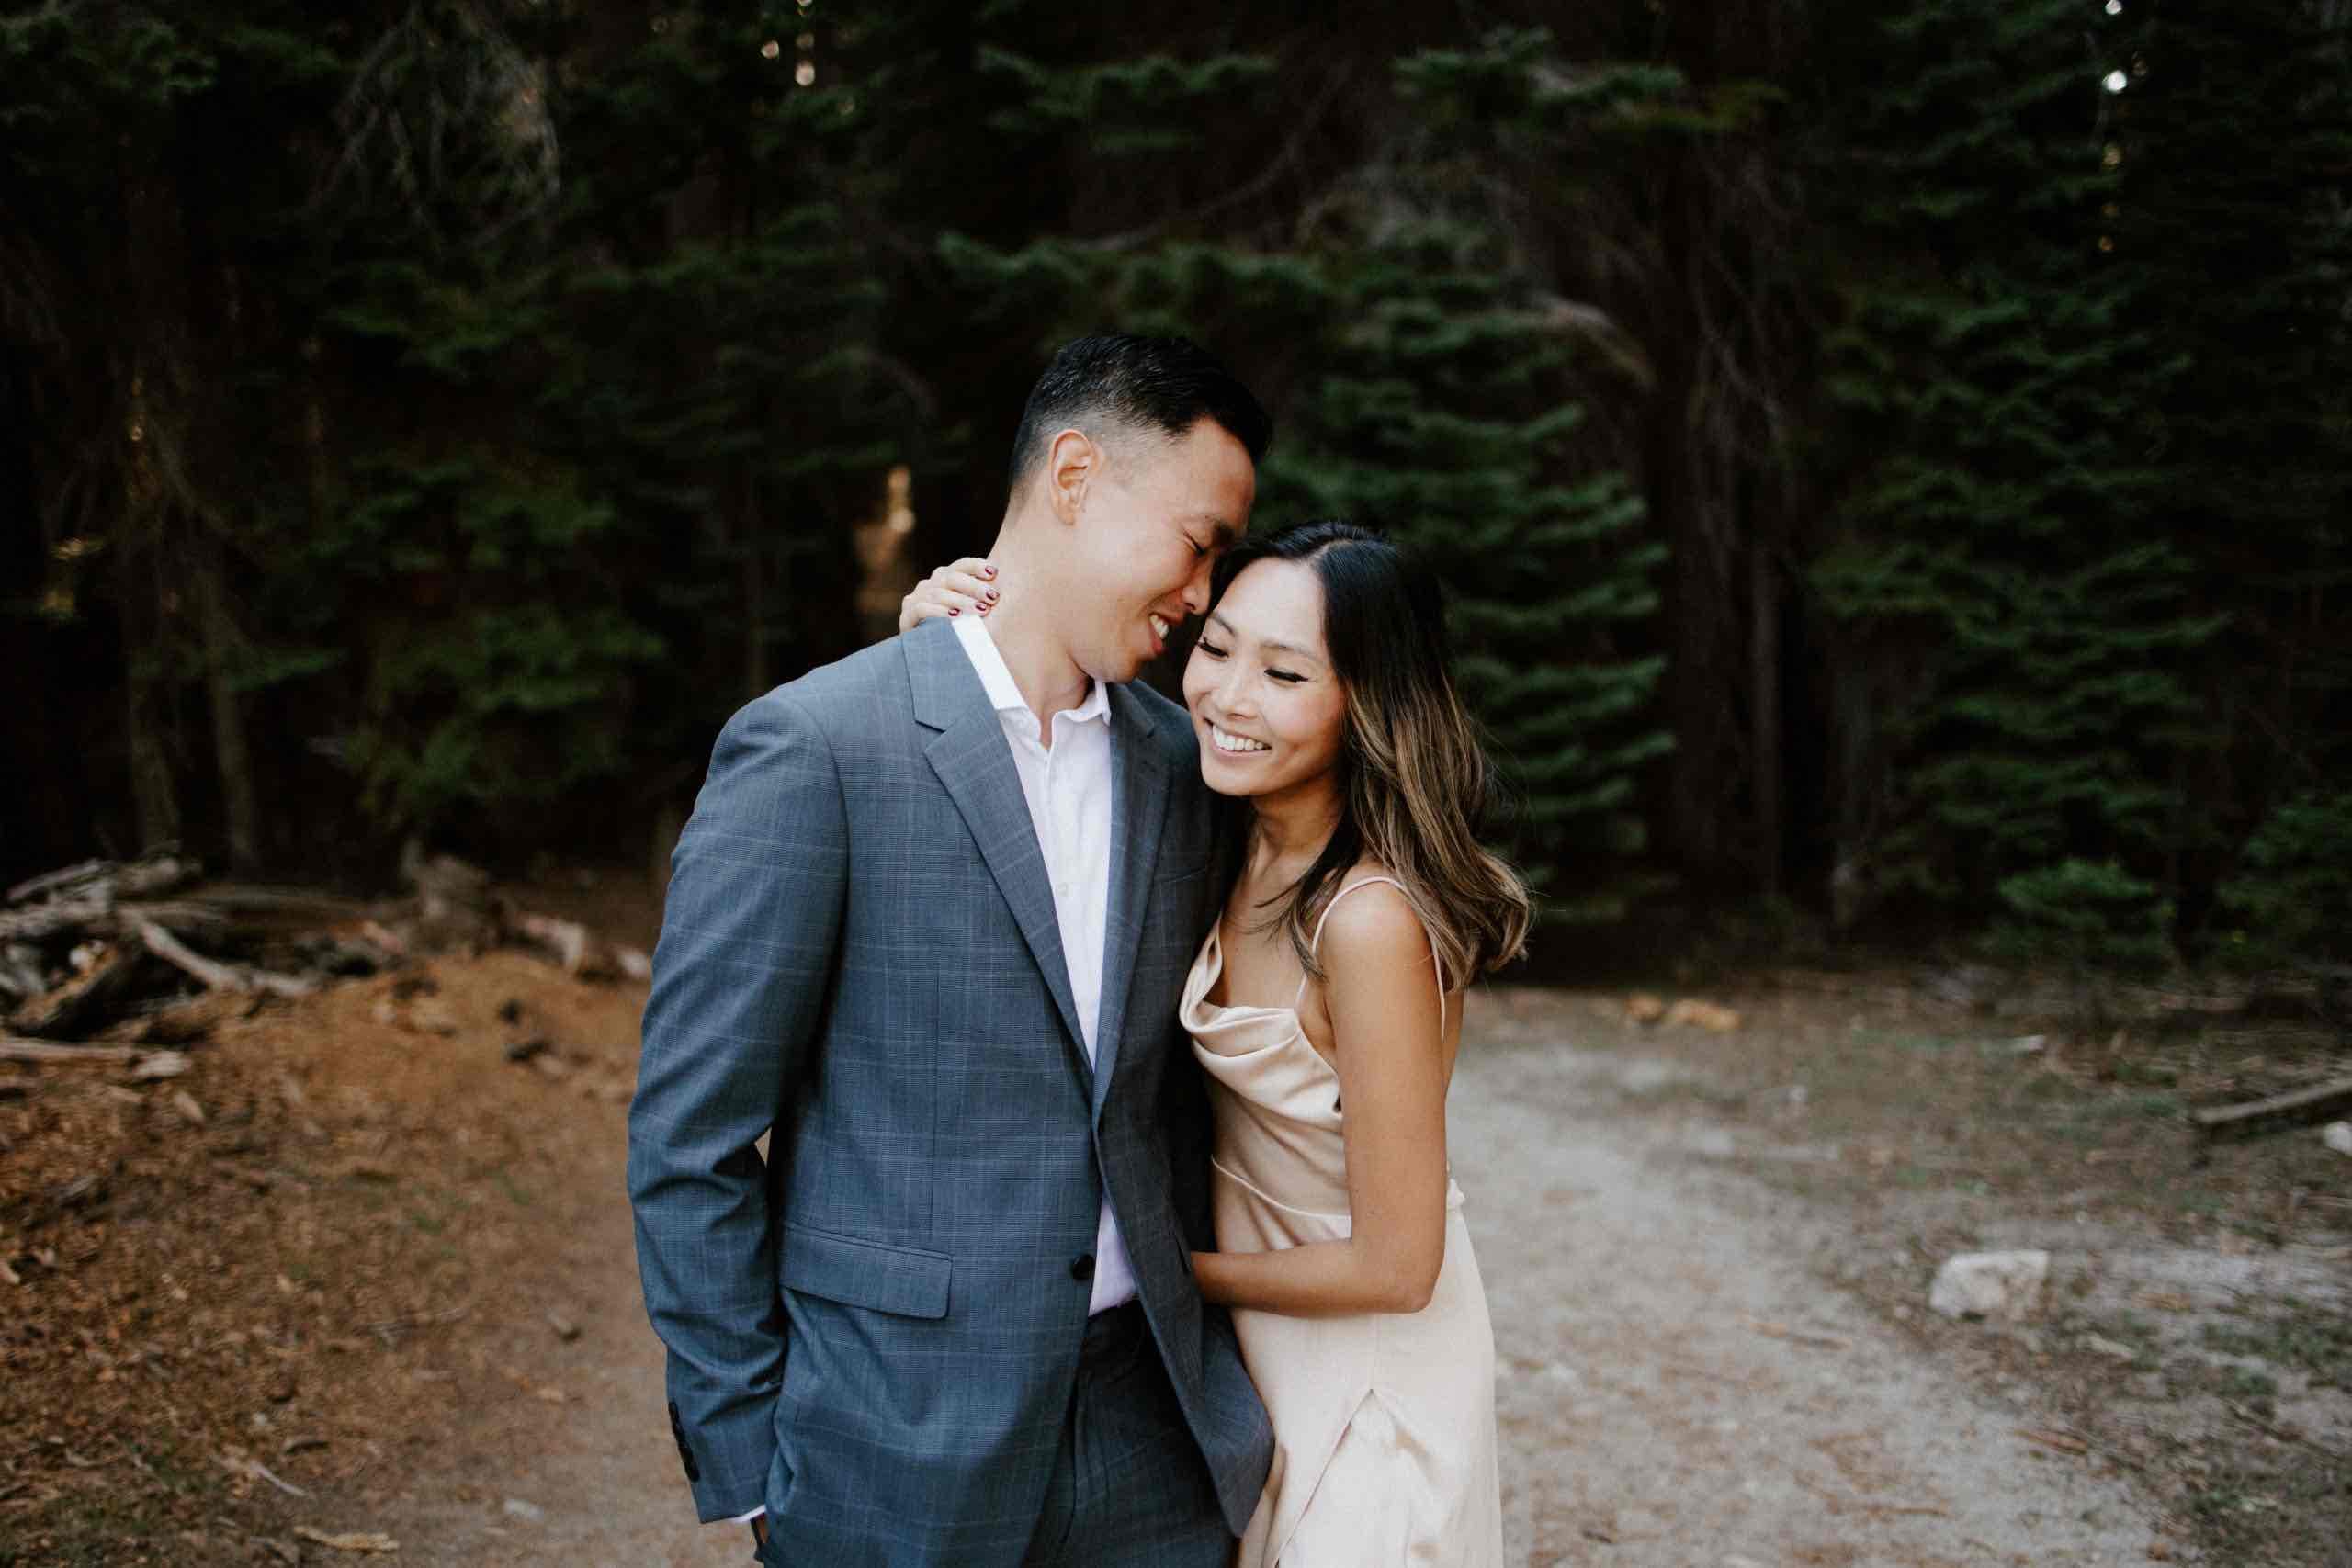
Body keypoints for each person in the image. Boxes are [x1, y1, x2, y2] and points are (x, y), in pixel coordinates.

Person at [627, 333, 1276, 1568]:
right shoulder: (817, 747)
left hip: (1152, 1447)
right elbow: (690, 1137)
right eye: (1202, 541)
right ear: (1075, 477)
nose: (1204, 593)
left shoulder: (1186, 767)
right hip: (888, 1450)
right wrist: (756, 1467)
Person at [901, 517, 1531, 1566]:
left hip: (1368, 1374)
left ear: (1366, 706)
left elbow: (1398, 1265)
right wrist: (950, 647)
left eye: (1284, 673)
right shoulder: (1212, 831)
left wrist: (1163, 1269)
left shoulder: (1369, 921)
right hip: (1246, 1367)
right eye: (1218, 648)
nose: (1228, 699)